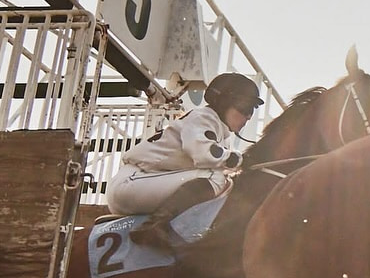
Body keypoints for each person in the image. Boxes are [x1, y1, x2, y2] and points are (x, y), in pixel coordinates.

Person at [106, 72, 264, 248]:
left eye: (252, 110)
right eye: (244, 107)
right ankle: (155, 228)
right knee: (215, 177)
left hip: (143, 183)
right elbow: (204, 154)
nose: (248, 116)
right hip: (130, 183)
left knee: (223, 181)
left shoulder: (219, 131)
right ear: (224, 102)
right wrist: (241, 160)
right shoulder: (203, 117)